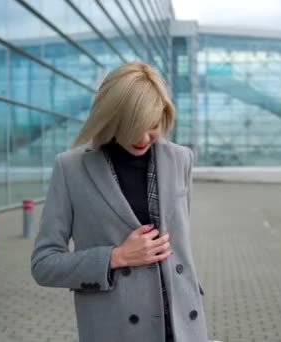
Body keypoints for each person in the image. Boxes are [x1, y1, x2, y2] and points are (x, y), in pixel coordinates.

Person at [31, 61, 208, 342]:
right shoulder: (71, 168)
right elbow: (44, 264)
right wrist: (115, 257)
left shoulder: (180, 159)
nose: (142, 137)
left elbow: (180, 247)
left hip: (183, 325)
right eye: (131, 126)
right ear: (110, 118)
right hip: (116, 329)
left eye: (153, 125)